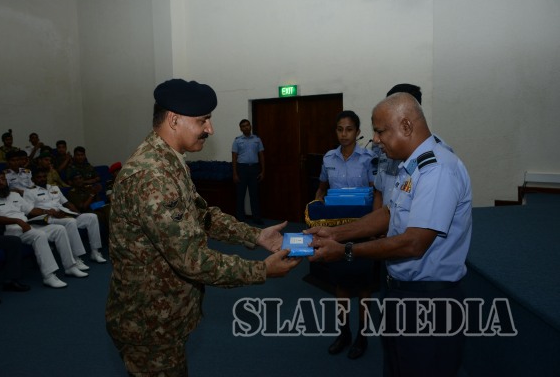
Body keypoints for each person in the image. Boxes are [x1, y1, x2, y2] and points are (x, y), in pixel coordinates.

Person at [105, 78, 301, 375]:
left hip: (166, 315)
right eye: (203, 120)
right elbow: (192, 260)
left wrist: (255, 235)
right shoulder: (151, 176)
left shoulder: (169, 162)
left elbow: (202, 215)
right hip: (149, 325)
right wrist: (261, 270)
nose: (210, 129)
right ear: (174, 120)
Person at [307, 92, 472, 377]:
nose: (376, 139)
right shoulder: (410, 166)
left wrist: (346, 251)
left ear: (406, 126)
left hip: (429, 301)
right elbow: (388, 214)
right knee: (397, 366)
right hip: (400, 290)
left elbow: (414, 243)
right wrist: (335, 233)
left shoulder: (437, 170)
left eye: (380, 131)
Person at [313, 110, 376, 359]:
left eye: (349, 129)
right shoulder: (328, 158)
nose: (344, 134)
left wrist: (376, 226)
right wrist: (318, 204)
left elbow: (376, 193)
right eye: (340, 129)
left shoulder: (369, 158)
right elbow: (321, 188)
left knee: (364, 285)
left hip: (364, 230)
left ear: (358, 132)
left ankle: (363, 335)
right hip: (336, 232)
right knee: (340, 283)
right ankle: (344, 332)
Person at [0, 170, 90, 288]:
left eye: (3, 179)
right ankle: (48, 276)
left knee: (59, 229)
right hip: (11, 231)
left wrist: (47, 212)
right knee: (39, 235)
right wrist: (18, 221)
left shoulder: (14, 195)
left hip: (28, 226)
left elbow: (31, 210)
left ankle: (70, 267)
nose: (1, 182)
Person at [23, 168, 106, 264]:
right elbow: (30, 211)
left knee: (91, 217)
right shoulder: (29, 192)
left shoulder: (53, 188)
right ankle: (76, 258)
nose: (42, 179)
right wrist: (48, 212)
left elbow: (67, 203)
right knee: (70, 221)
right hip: (49, 217)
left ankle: (95, 252)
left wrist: (78, 213)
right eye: (39, 177)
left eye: (44, 176)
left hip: (63, 213)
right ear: (33, 179)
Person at [231, 119, 265, 224]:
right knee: (240, 195)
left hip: (254, 169)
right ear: (241, 129)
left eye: (247, 125)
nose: (246, 127)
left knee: (254, 195)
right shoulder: (237, 140)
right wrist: (235, 173)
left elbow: (261, 156)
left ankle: (257, 218)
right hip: (242, 169)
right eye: (243, 126)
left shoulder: (257, 139)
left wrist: (263, 171)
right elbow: (234, 157)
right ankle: (240, 219)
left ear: (250, 126)